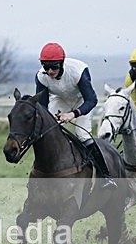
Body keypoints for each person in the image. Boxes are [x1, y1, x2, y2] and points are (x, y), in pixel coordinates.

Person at [35, 42, 115, 189]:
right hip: (59, 99)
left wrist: (73, 114)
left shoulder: (78, 71)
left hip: (81, 100)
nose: (50, 71)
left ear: (62, 63)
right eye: (46, 67)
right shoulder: (41, 76)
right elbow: (42, 106)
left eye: (54, 66)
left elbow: (92, 100)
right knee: (48, 132)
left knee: (83, 136)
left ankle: (106, 177)